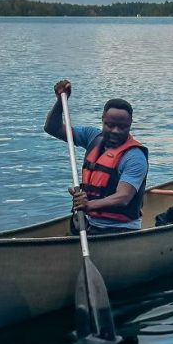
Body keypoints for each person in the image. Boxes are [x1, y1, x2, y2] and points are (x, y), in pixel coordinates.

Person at [44, 80, 148, 233]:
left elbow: (124, 197)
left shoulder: (134, 156)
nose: (115, 131)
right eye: (110, 125)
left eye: (122, 126)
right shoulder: (92, 136)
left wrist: (88, 205)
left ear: (130, 124)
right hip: (87, 222)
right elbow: (52, 128)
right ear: (102, 121)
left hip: (120, 229)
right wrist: (60, 101)